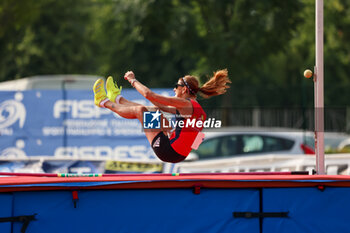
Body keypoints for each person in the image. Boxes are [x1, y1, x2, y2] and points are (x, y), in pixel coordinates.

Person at [93, 69, 231, 163]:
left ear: (183, 89)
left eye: (176, 86)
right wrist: (175, 136)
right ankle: (118, 99)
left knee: (140, 111)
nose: (173, 89)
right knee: (154, 111)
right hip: (178, 153)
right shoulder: (199, 111)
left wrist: (132, 80)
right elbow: (159, 105)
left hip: (167, 150)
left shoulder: (185, 104)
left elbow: (149, 95)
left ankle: (103, 101)